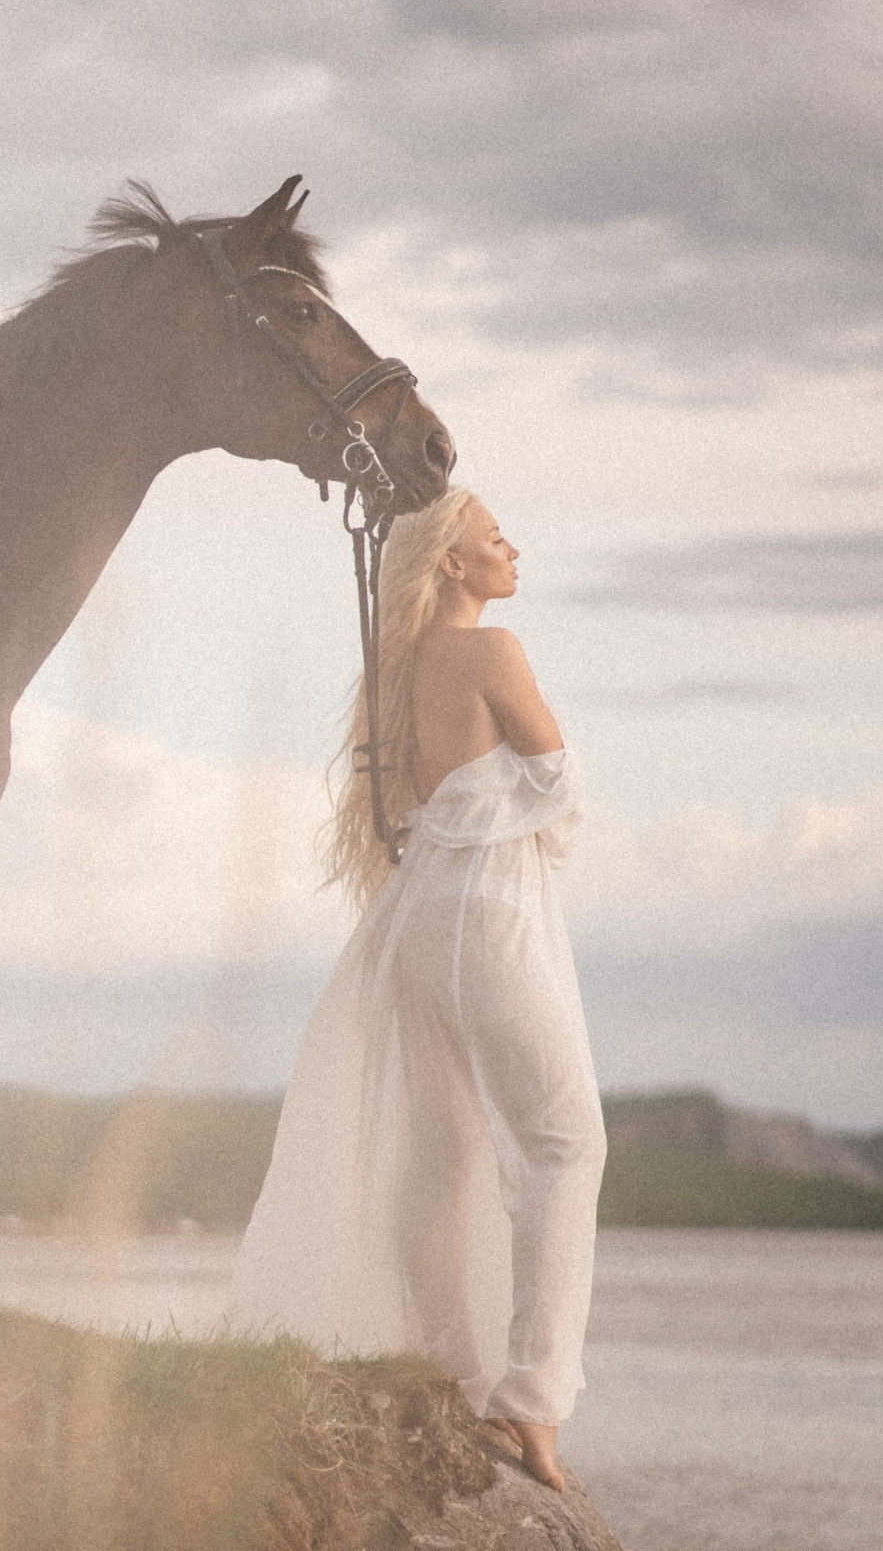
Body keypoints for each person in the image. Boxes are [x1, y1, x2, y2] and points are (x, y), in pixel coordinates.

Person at [228, 487, 605, 1492]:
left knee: (441, 1149)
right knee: (567, 1143)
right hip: (488, 913)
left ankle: (455, 1365)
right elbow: (559, 784)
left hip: (418, 916)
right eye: (494, 537)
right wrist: (524, 824)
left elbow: (419, 799)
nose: (512, 548)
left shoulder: (392, 673)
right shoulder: (493, 651)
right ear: (450, 563)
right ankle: (528, 1397)